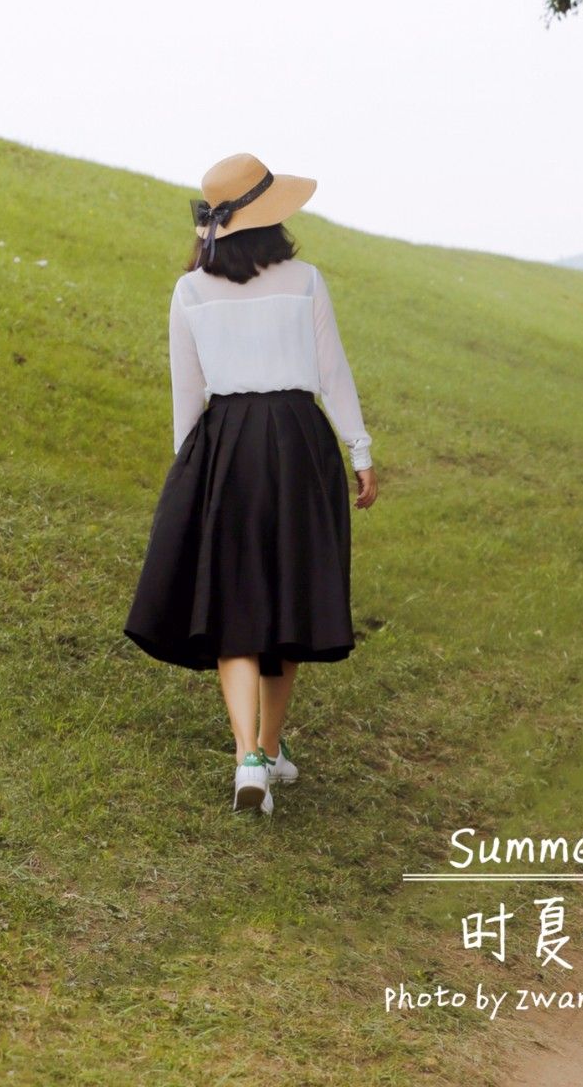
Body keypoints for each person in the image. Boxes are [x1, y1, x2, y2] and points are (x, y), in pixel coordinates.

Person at [124, 152, 379, 814]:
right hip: (297, 443)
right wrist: (360, 451)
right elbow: (333, 374)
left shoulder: (191, 292)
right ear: (274, 220)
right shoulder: (305, 280)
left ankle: (251, 759)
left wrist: (192, 479)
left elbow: (188, 397)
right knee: (288, 599)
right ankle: (269, 742)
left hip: (225, 448)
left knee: (234, 609)